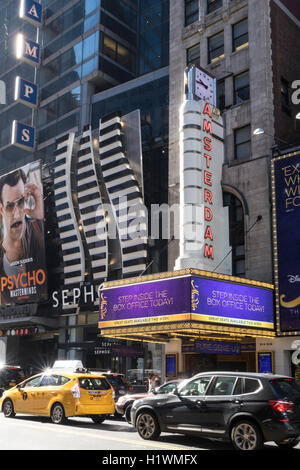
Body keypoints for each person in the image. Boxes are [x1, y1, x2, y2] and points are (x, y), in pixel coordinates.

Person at [0, 167, 46, 304]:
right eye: (10, 206)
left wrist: (39, 217)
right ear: (1, 209)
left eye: (20, 202)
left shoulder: (37, 232)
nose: (17, 213)